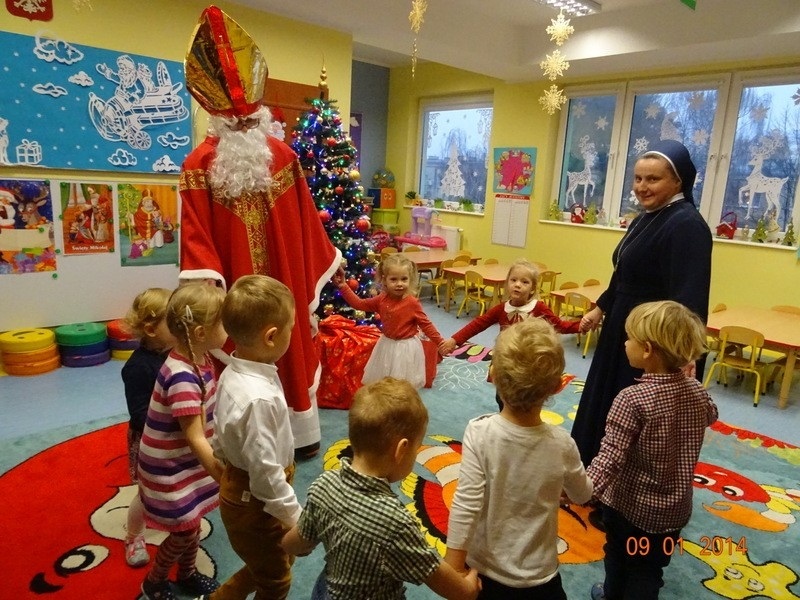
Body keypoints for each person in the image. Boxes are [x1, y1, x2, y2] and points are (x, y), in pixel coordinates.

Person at [179, 6, 340, 458]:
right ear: (218, 116)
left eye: (250, 117)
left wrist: (317, 270)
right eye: (238, 119)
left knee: (289, 345)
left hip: (285, 283)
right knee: (241, 351)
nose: (246, 124)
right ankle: (239, 437)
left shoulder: (283, 158)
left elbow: (307, 224)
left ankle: (299, 436)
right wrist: (209, 286)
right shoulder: (198, 166)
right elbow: (195, 236)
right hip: (234, 289)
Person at [571, 139, 712, 469]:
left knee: (635, 410)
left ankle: (621, 480)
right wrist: (600, 307)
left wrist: (685, 353)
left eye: (653, 179)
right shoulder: (646, 217)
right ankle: (592, 467)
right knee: (608, 400)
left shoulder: (687, 224)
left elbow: (690, 296)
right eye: (638, 178)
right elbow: (623, 273)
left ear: (678, 181)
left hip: (654, 340)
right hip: (623, 326)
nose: (642, 187)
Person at [282, 377, 481, 600]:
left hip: (326, 591)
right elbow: (455, 590)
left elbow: (294, 543)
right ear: (401, 450)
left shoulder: (323, 484)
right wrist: (470, 584)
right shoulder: (396, 524)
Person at [444, 319, 593, 599]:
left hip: (484, 571)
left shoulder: (479, 432)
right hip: (540, 577)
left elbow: (466, 502)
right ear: (558, 386)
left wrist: (453, 566)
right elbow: (583, 494)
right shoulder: (562, 443)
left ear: (494, 375)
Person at [586, 300, 718, 600]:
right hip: (674, 511)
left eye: (629, 338)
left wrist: (583, 490)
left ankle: (611, 594)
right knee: (650, 569)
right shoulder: (696, 390)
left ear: (647, 350)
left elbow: (610, 457)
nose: (625, 343)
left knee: (619, 556)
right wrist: (689, 381)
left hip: (629, 509)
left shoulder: (631, 399)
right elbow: (712, 414)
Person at [202, 275, 301, 600]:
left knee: (270, 561)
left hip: (247, 487)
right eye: (291, 327)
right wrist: (295, 519)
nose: (292, 333)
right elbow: (265, 474)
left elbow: (221, 429)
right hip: (255, 501)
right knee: (276, 581)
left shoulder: (234, 370)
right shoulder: (258, 398)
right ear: (271, 336)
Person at [137, 283, 227, 600]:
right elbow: (194, 436)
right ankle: (155, 581)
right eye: (224, 323)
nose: (229, 328)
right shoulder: (182, 377)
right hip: (169, 469)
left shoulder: (200, 359)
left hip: (186, 463)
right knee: (184, 531)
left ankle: (187, 574)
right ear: (201, 332)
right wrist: (222, 474)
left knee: (193, 523)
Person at [120, 287, 175, 568]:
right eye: (172, 321)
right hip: (150, 439)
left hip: (175, 436)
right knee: (147, 492)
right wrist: (171, 425)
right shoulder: (138, 368)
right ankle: (134, 536)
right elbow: (140, 413)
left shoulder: (175, 355)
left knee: (174, 482)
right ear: (152, 330)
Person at [332, 253, 444, 389]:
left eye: (404, 279)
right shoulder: (381, 299)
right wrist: (343, 286)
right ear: (385, 280)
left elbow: (426, 325)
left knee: (402, 385)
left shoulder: (412, 303)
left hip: (405, 348)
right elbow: (359, 304)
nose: (399, 284)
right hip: (386, 345)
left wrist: (441, 343)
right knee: (384, 383)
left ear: (410, 279)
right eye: (394, 279)